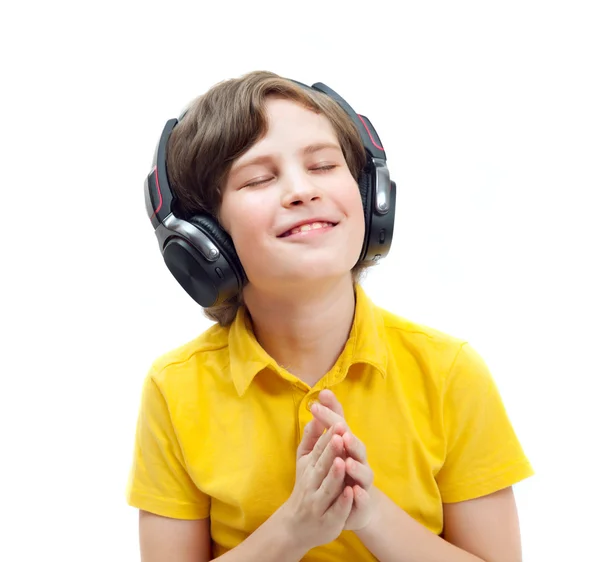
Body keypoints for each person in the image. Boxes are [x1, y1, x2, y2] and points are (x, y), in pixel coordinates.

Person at [126, 70, 534, 561]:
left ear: (371, 198)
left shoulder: (449, 373)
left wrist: (370, 514)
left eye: (323, 166)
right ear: (204, 239)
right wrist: (295, 529)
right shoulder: (175, 389)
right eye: (258, 178)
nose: (301, 190)